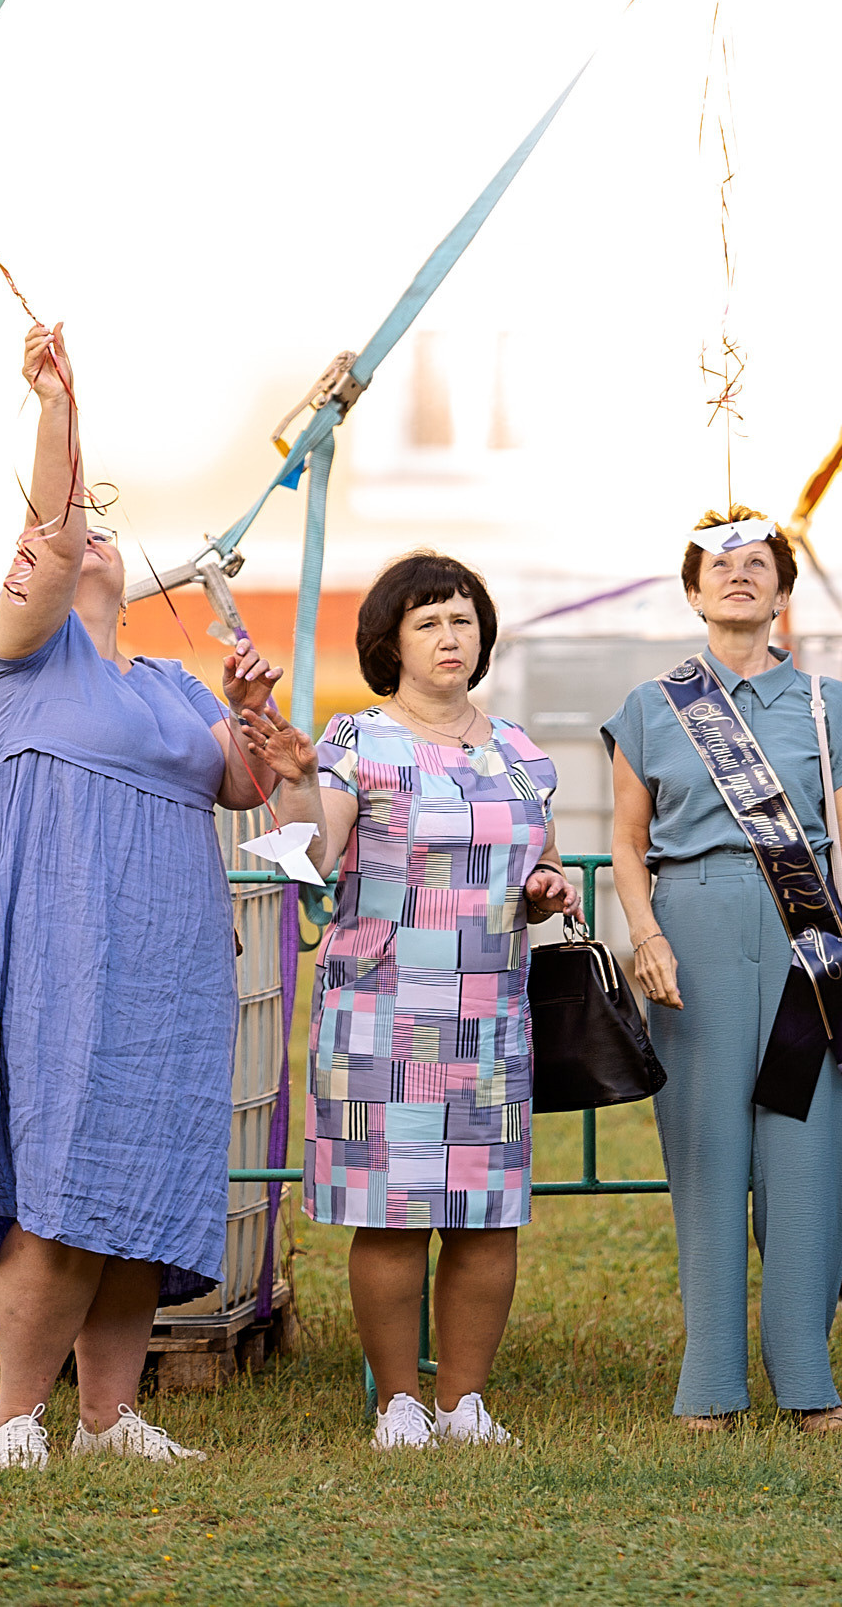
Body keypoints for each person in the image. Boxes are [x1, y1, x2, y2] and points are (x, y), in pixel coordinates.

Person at [0, 319, 314, 1473]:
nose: (91, 539)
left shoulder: (163, 681)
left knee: (144, 1176)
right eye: (80, 532)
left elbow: (243, 782)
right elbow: (50, 538)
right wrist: (61, 406)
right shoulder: (18, 655)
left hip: (170, 947)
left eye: (106, 529)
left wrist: (254, 713)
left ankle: (109, 1415)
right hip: (62, 934)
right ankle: (17, 1416)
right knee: (63, 1178)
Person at [258, 549, 581, 1452]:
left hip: (489, 1018)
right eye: (429, 620)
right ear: (391, 642)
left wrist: (552, 885)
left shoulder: (519, 752)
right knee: (391, 1216)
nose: (451, 635)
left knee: (486, 1217)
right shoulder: (356, 742)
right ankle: (399, 1402)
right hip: (380, 1013)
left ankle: (465, 1403)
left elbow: (538, 862)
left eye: (464, 618)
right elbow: (312, 860)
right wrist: (291, 777)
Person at [605, 507, 842, 1432]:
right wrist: (645, 935)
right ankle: (710, 1383)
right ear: (692, 591)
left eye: (759, 564)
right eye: (720, 566)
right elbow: (624, 842)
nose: (740, 576)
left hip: (807, 938)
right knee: (705, 1154)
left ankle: (807, 1378)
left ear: (782, 590)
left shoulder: (826, 703)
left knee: (804, 1153)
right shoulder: (651, 707)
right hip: (692, 934)